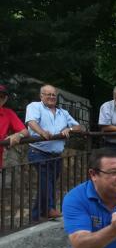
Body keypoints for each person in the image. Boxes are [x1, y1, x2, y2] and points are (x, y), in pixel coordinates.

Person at [25, 84, 84, 220]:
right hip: (38, 151)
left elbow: (79, 127)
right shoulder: (34, 106)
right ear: (41, 96)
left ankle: (35, 215)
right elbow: (31, 122)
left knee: (48, 182)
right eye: (48, 94)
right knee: (46, 181)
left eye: (53, 95)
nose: (51, 97)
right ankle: (50, 209)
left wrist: (69, 129)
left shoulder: (63, 112)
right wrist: (42, 132)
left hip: (56, 154)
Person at [0, 84, 29, 169]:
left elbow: (25, 131)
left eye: (1, 96)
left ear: (5, 99)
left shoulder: (8, 113)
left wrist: (18, 135)